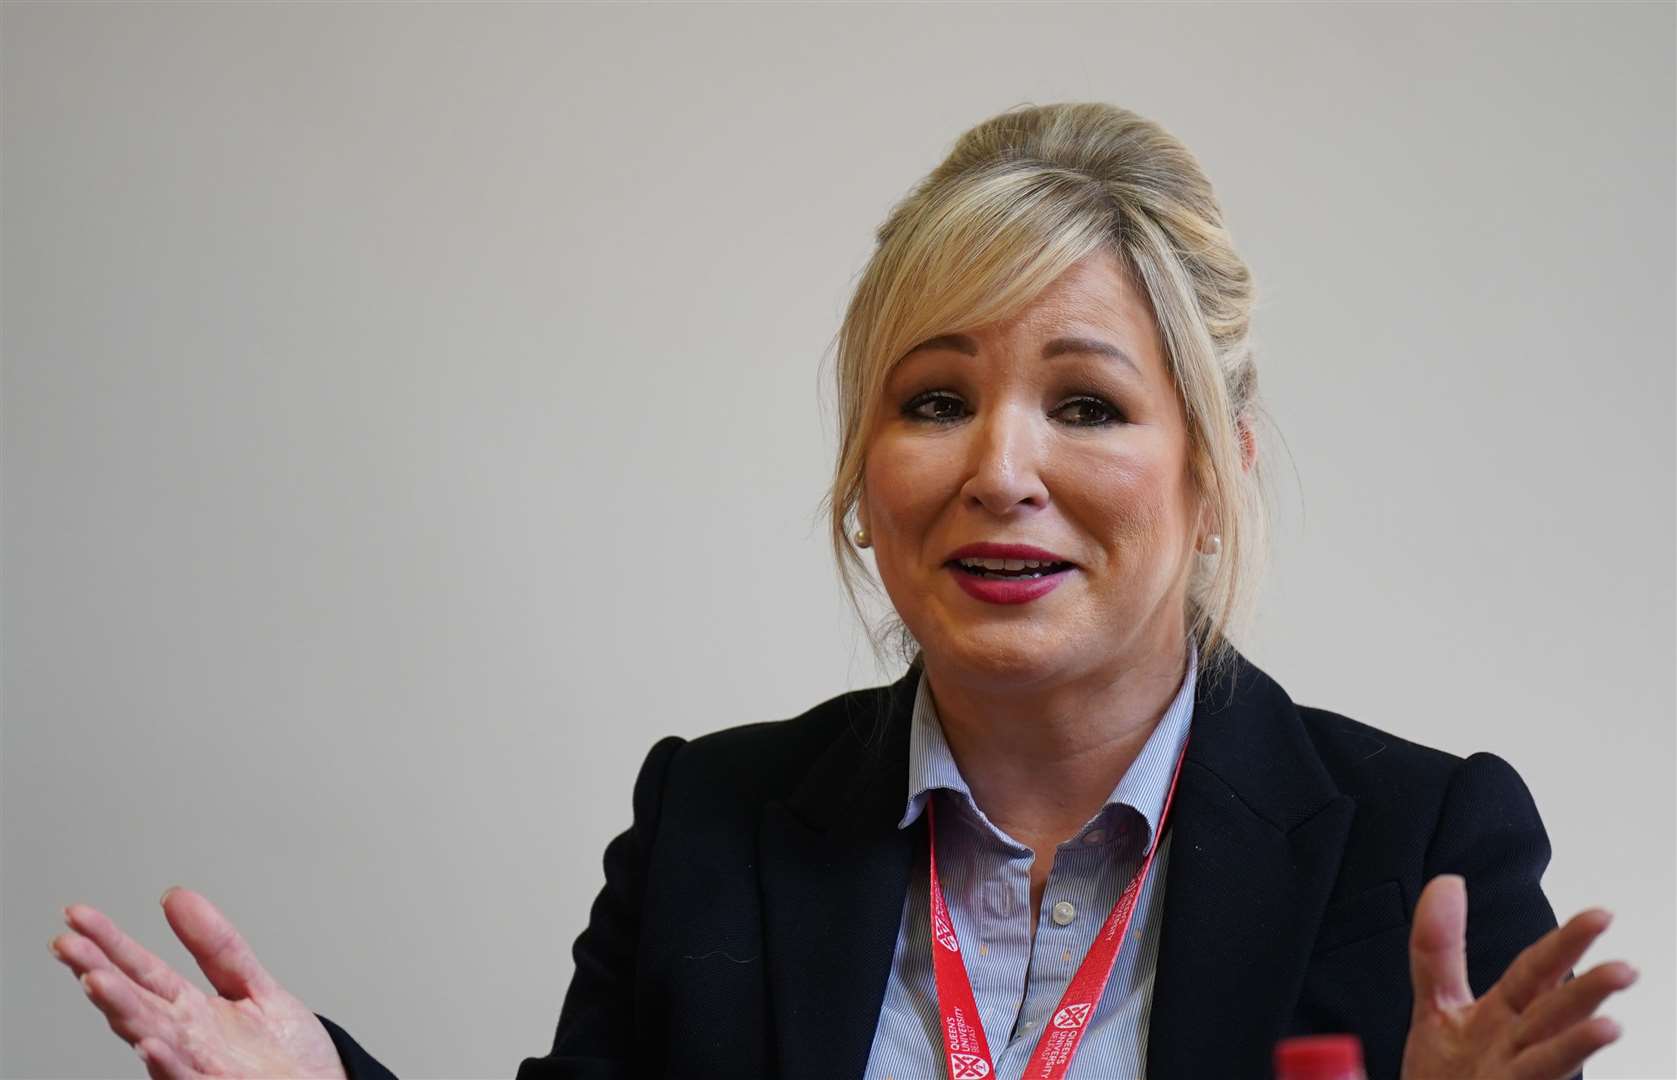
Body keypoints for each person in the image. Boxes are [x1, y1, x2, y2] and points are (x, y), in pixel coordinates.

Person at [51, 102, 1636, 1080]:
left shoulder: (1416, 849)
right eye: (932, 399)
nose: (994, 470)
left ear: (1212, 470)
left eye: (1084, 405)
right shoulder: (712, 825)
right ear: (862, 465)